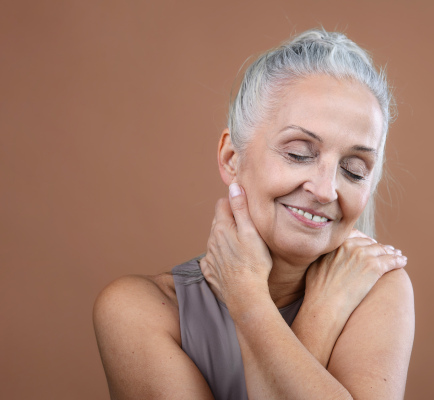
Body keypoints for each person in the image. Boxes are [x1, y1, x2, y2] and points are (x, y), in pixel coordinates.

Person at [93, 28, 415, 399]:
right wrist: (299, 312)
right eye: (298, 153)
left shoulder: (377, 288)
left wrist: (254, 303)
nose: (326, 190)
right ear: (232, 158)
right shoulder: (138, 310)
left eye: (354, 169)